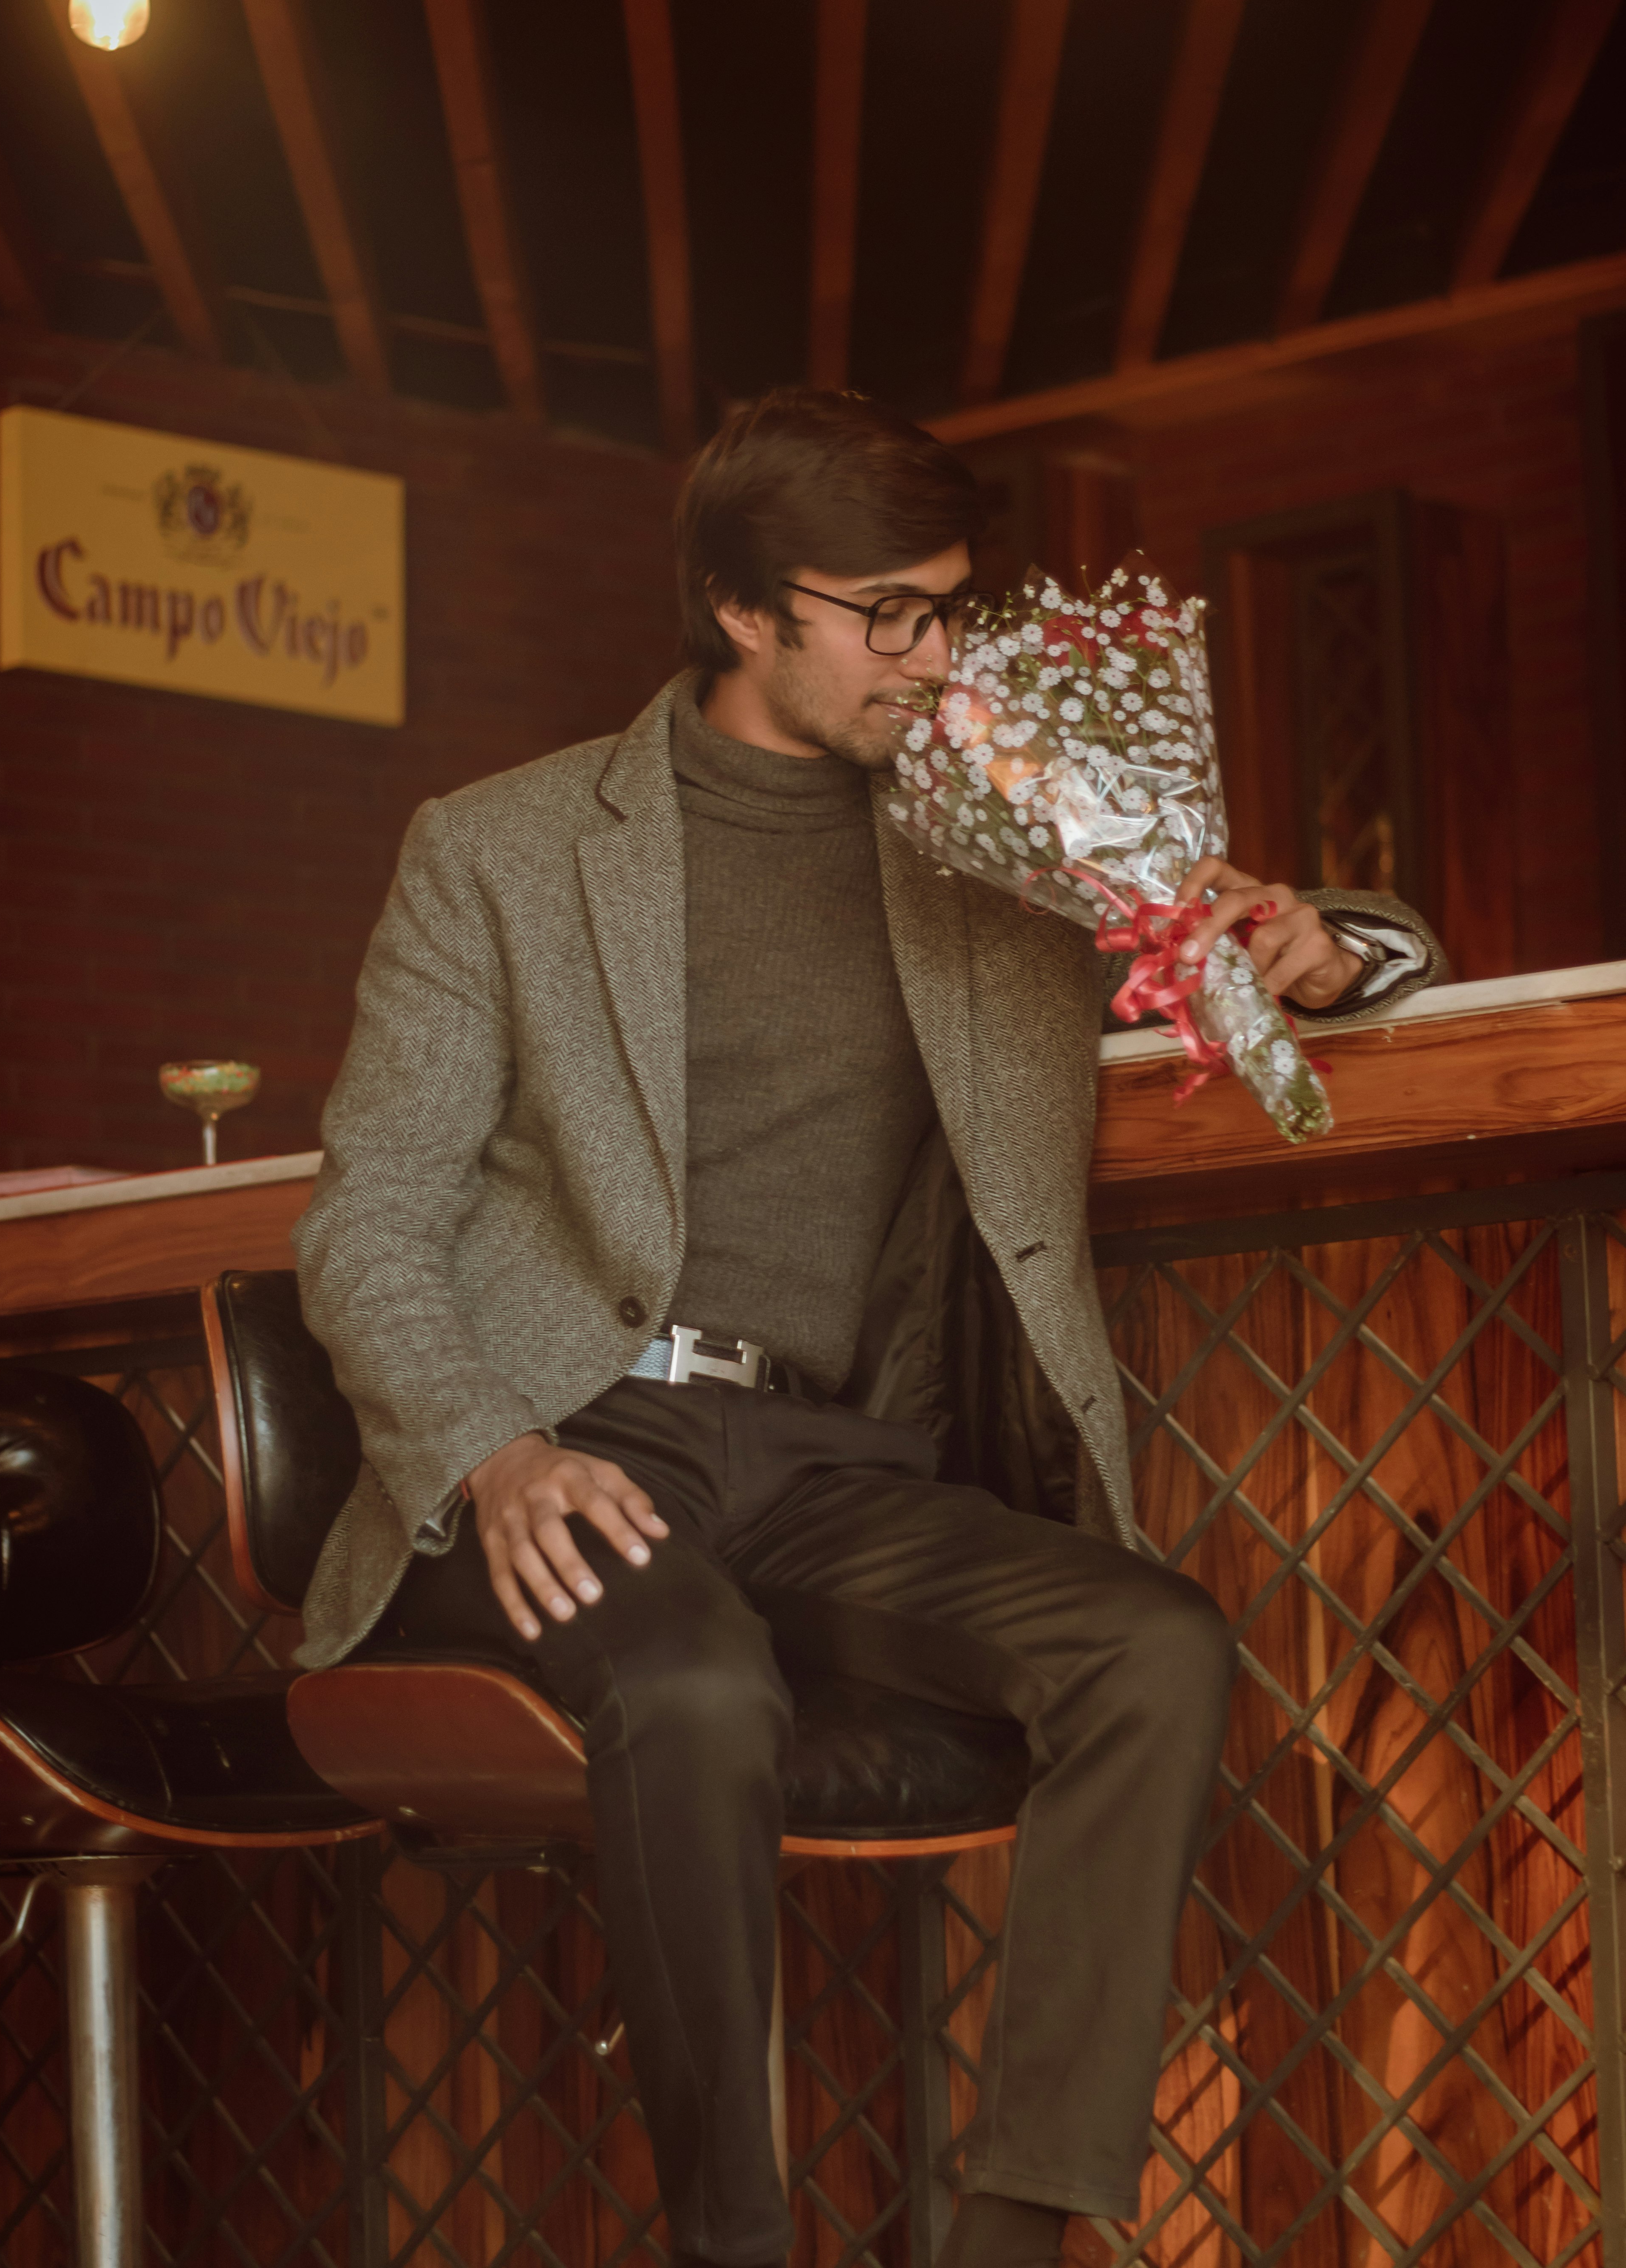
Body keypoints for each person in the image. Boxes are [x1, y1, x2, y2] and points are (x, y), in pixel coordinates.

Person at [294, 389, 1441, 2268]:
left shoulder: (993, 835)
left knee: (1150, 1644)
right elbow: (367, 1221)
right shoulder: (500, 850)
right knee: (690, 1688)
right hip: (581, 1440)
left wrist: (1329, 949)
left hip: (835, 1461)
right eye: (887, 614)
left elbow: (1269, 937)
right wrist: (491, 1450)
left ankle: (1015, 2231)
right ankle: (729, 2246)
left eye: (952, 610)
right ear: (746, 612)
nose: (935, 656)